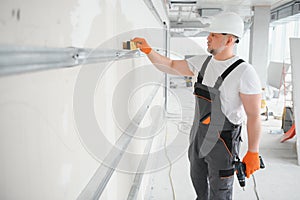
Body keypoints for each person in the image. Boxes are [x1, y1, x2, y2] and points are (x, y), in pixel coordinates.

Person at [133, 12, 261, 200]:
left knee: (220, 194)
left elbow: (254, 115)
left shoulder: (244, 72)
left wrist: (253, 151)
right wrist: (148, 51)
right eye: (209, 34)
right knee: (200, 188)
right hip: (198, 139)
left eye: (214, 35)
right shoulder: (203, 62)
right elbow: (170, 65)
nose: (207, 39)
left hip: (222, 143)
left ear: (229, 40)